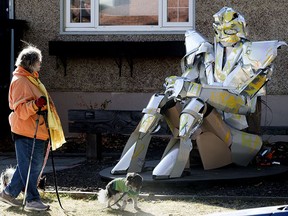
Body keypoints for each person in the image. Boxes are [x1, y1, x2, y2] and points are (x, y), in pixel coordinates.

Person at [0, 45, 65, 211]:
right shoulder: (21, 81)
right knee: (29, 167)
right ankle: (32, 199)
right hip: (26, 130)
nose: (40, 64)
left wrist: (39, 106)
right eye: (38, 61)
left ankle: (9, 193)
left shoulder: (30, 78)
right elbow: (20, 110)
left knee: (30, 166)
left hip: (36, 129)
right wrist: (36, 105)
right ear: (30, 62)